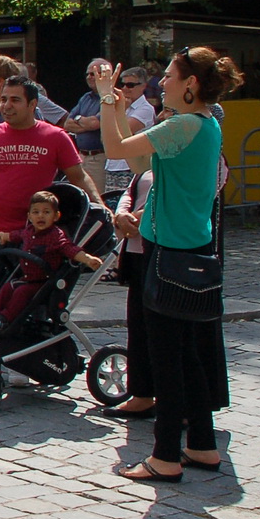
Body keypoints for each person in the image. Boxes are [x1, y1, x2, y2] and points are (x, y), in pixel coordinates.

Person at [97, 48, 241, 482]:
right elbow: (141, 162)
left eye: (172, 77)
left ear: (191, 85)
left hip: (169, 253)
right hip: (193, 249)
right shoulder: (205, 125)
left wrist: (106, 99)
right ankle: (202, 444)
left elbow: (114, 150)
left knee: (167, 361)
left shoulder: (181, 124)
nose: (163, 83)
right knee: (188, 357)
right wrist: (121, 111)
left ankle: (164, 456)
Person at [0, 75, 100, 387]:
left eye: (14, 100)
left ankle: (19, 360)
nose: (6, 106)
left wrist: (98, 204)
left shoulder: (55, 137)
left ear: (33, 104)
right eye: (3, 100)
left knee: (29, 302)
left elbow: (78, 176)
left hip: (35, 239)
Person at [0, 190, 103, 331]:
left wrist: (87, 259)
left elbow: (70, 249)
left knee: (21, 293)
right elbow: (17, 235)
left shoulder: (56, 236)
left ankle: (5, 318)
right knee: (7, 287)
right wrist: (5, 236)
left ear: (56, 216)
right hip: (27, 278)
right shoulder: (29, 230)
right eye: (36, 212)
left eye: (46, 212)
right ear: (29, 216)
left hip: (43, 281)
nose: (40, 216)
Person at [102, 168, 157, 418]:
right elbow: (131, 190)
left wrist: (145, 216)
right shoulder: (148, 163)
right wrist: (123, 213)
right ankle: (142, 393)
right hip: (137, 249)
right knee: (139, 324)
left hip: (169, 251)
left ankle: (182, 403)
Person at [103, 67, 156, 193]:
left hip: (130, 167)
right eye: (123, 84)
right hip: (113, 165)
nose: (125, 89)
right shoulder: (121, 105)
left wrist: (118, 110)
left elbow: (120, 132)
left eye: (130, 85)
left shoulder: (146, 109)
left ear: (143, 86)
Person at [63, 58, 112, 190]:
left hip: (99, 159)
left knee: (98, 199)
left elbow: (95, 123)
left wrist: (79, 120)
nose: (89, 77)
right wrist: (85, 122)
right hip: (81, 158)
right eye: (87, 74)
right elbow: (67, 124)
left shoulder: (110, 97)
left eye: (93, 73)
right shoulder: (85, 98)